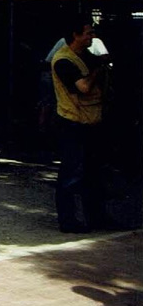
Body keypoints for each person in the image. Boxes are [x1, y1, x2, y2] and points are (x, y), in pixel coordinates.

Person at [51, 14, 106, 233]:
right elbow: (83, 87)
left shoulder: (84, 56)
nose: (92, 36)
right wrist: (98, 71)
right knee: (71, 174)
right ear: (76, 35)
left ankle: (97, 218)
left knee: (93, 172)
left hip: (90, 120)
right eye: (88, 33)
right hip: (72, 122)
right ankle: (68, 221)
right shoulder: (63, 60)